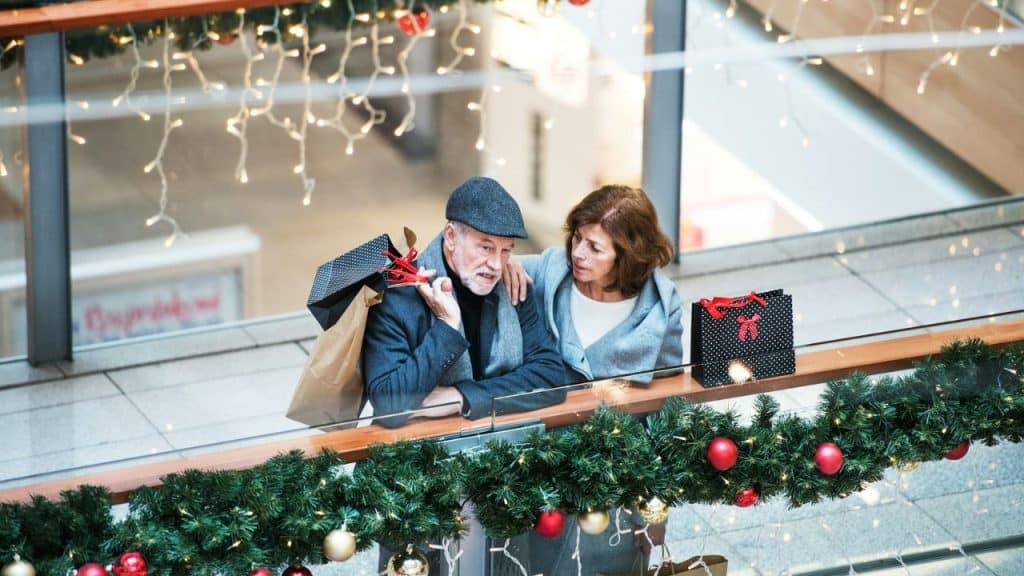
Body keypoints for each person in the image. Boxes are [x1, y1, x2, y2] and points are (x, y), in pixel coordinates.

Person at [502, 184, 684, 575]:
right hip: (538, 471)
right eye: (578, 239)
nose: (578, 253)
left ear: (627, 257)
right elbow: (477, 263)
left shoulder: (660, 308)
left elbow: (666, 410)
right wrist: (508, 263)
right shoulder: (548, 273)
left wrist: (656, 511)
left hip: (613, 485)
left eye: (595, 248)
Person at [362, 176, 567, 429]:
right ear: (451, 237)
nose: (495, 265)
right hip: (414, 456)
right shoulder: (398, 293)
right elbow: (389, 404)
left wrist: (462, 397)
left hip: (493, 447)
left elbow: (551, 377)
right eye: (485, 248)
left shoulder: (511, 283)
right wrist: (446, 327)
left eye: (506, 250)